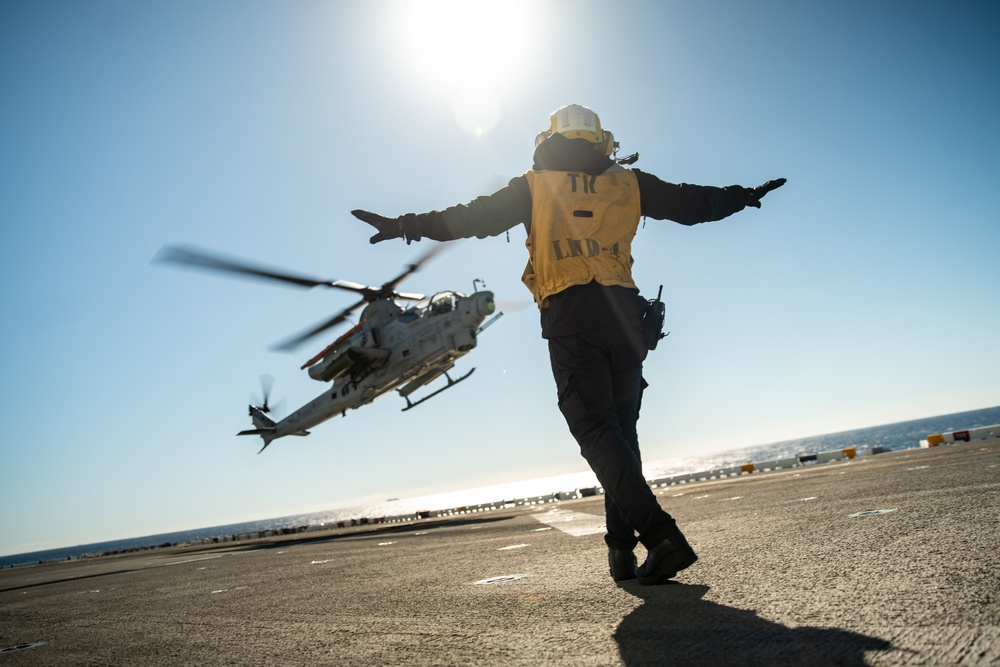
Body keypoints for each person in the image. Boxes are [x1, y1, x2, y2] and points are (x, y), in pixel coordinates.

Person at [352, 104, 785, 584]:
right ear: (601, 140)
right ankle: (621, 552)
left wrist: (404, 225)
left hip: (573, 318)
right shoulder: (629, 182)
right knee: (621, 433)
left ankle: (662, 536)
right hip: (626, 320)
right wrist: (742, 196)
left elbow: (471, 218)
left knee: (596, 432)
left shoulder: (534, 186)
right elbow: (693, 204)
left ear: (548, 140)